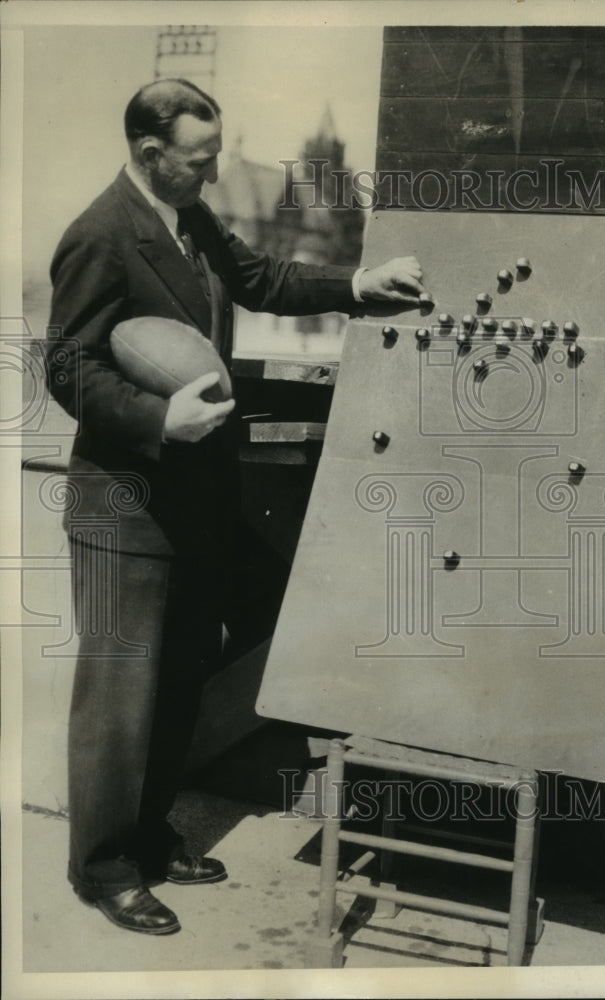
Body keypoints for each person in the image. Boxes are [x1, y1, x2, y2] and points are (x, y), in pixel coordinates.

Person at [45, 77, 425, 936]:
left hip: (198, 503)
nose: (214, 173)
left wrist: (360, 285)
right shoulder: (101, 236)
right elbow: (65, 366)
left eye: (217, 156)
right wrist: (157, 418)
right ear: (151, 155)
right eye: (199, 159)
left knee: (178, 679)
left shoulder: (194, 222)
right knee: (118, 697)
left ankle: (148, 832)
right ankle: (102, 867)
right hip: (127, 506)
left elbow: (261, 277)